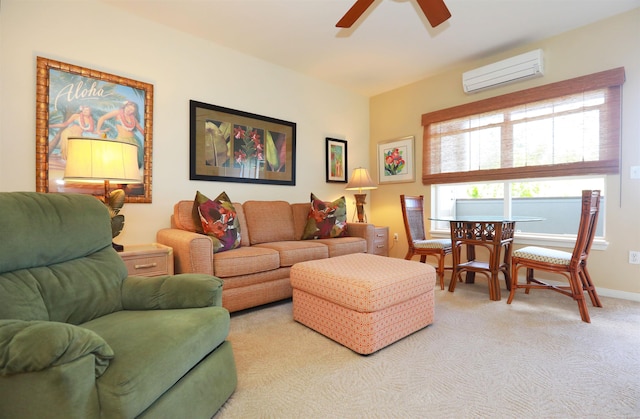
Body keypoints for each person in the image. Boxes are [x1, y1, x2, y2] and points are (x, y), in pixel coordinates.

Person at [95, 100, 145, 166]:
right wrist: (98, 130)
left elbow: (141, 130)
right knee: (121, 162)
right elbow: (102, 118)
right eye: (128, 108)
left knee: (132, 163)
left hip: (134, 140)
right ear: (125, 106)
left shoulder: (133, 119)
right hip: (121, 140)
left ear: (134, 112)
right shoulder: (117, 113)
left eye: (131, 110)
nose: (129, 110)